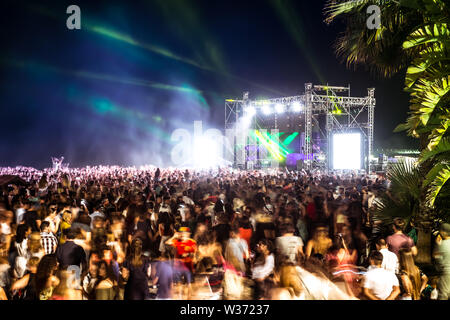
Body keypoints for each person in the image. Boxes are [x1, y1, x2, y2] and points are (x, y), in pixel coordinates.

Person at [433, 223, 450, 300]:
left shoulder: (442, 245)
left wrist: (437, 246)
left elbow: (437, 258)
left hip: (446, 273)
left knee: (443, 294)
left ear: (443, 232)